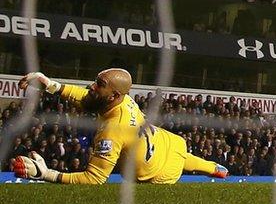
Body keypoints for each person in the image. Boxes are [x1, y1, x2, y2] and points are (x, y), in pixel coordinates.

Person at [13, 69, 228, 184]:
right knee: (185, 158)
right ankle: (214, 168)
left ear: (114, 95)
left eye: (100, 84)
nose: (92, 86)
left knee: (180, 163)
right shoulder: (121, 99)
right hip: (167, 142)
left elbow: (94, 178)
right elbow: (86, 97)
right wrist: (51, 85)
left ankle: (212, 168)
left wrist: (46, 174)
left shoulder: (114, 128)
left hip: (161, 173)